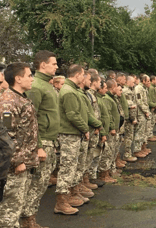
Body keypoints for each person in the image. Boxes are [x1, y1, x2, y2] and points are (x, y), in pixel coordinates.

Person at [0, 62, 43, 226]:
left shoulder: (20, 98)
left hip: (24, 161)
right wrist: (17, 161)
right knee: (9, 211)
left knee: (16, 207)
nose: (32, 79)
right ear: (18, 78)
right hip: (14, 166)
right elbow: (7, 135)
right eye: (29, 75)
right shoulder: (8, 103)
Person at [24, 50, 60, 225]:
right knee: (37, 184)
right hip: (42, 141)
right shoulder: (37, 86)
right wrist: (38, 146)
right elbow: (32, 119)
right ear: (43, 64)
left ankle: (30, 218)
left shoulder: (47, 84)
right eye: (54, 63)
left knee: (42, 183)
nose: (57, 66)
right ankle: (27, 220)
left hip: (49, 140)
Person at [55, 64, 90, 214]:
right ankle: (61, 202)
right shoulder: (69, 91)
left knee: (72, 167)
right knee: (67, 168)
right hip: (69, 134)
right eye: (83, 75)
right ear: (77, 75)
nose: (83, 78)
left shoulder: (72, 90)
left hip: (73, 133)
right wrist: (85, 128)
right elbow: (72, 115)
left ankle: (69, 194)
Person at [75, 71, 102, 199]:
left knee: (88, 157)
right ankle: (78, 186)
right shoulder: (80, 94)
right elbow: (84, 114)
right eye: (89, 79)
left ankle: (84, 181)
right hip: (87, 130)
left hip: (92, 129)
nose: (90, 82)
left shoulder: (86, 94)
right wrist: (97, 124)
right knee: (82, 160)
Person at [86, 75, 108, 186]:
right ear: (94, 82)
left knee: (94, 155)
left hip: (97, 129)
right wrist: (97, 127)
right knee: (90, 156)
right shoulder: (89, 95)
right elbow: (90, 115)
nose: (100, 83)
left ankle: (91, 178)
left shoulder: (94, 95)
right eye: (99, 81)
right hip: (92, 130)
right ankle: (89, 179)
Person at [121, 75, 138, 162]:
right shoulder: (126, 92)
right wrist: (132, 118)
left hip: (130, 117)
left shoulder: (130, 90)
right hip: (128, 119)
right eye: (132, 82)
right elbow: (130, 106)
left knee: (130, 136)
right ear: (128, 82)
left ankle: (129, 153)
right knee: (128, 136)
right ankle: (127, 154)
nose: (134, 84)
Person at [134, 75, 151, 157]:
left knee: (144, 132)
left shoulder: (144, 88)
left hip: (144, 113)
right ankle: (137, 150)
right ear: (143, 81)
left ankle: (142, 147)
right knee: (139, 132)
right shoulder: (138, 88)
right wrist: (145, 111)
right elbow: (139, 101)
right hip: (140, 114)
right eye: (148, 81)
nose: (149, 82)